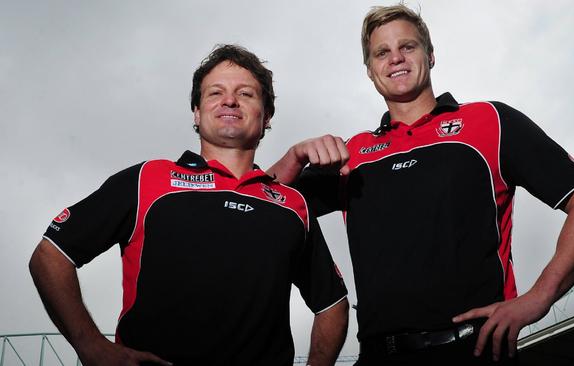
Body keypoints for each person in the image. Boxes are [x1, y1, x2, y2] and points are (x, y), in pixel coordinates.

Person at [268, 4, 574, 365]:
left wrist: (540, 297)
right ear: (370, 71)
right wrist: (292, 158)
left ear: (430, 55)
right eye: (382, 52)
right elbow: (262, 201)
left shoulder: (489, 122)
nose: (396, 59)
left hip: (475, 350)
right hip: (378, 355)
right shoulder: (353, 155)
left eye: (408, 47)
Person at [29, 44, 349, 366]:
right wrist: (91, 345)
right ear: (196, 112)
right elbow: (51, 254)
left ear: (266, 116)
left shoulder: (292, 205)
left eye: (246, 94)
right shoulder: (148, 179)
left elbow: (332, 304)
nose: (229, 100)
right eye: (215, 93)